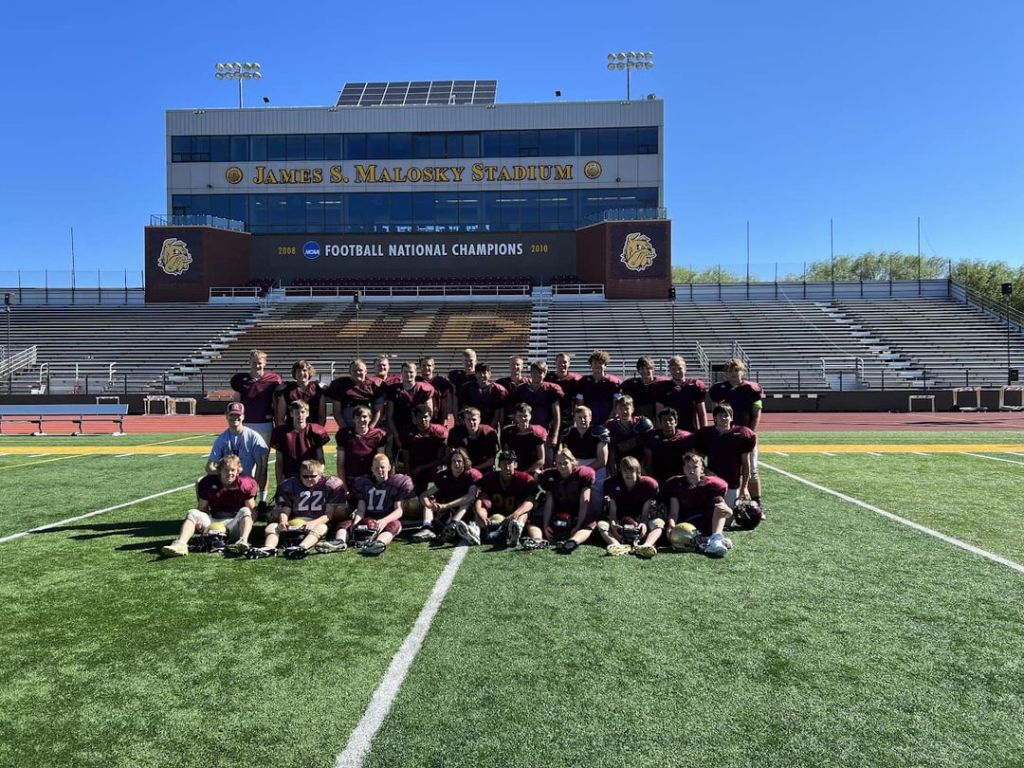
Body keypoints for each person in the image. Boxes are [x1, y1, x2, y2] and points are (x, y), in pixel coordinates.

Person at [247, 460, 346, 559]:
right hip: (294, 521)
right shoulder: (290, 484)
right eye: (305, 476)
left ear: (320, 474)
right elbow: (285, 509)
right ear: (300, 475)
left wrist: (313, 523)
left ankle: (302, 548)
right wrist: (283, 521)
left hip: (316, 521)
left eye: (313, 476)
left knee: (322, 527)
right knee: (272, 526)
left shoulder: (330, 484)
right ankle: (269, 548)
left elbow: (329, 514)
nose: (309, 479)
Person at [317, 454, 413, 556]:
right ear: (372, 469)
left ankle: (378, 544)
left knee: (396, 525)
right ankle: (339, 542)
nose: (380, 470)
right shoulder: (364, 483)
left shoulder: (397, 482)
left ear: (389, 467)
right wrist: (356, 522)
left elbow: (399, 510)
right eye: (377, 468)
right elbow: (361, 509)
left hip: (386, 518)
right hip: (368, 518)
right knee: (345, 524)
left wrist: (384, 520)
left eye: (382, 467)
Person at [160, 456, 255, 557]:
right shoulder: (208, 482)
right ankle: (181, 544)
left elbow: (252, 512)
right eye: (226, 470)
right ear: (219, 470)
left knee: (246, 510)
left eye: (233, 470)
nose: (229, 473)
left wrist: (245, 526)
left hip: (233, 523)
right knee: (193, 513)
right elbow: (202, 508)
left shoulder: (245, 484)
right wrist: (200, 524)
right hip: (213, 520)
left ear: (238, 471)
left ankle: (243, 541)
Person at [709, 357, 764, 502]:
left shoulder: (752, 389)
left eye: (736, 370)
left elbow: (756, 414)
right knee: (727, 470)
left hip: (745, 435)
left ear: (742, 371)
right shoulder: (718, 389)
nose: (733, 374)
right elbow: (716, 413)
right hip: (726, 436)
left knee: (752, 471)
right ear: (726, 373)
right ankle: (726, 500)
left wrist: (750, 433)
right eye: (730, 371)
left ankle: (756, 502)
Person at [666, 452, 734, 558]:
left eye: (695, 467)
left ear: (702, 469)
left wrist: (729, 512)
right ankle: (712, 541)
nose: (691, 470)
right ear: (683, 469)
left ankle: (715, 538)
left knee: (718, 501)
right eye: (688, 467)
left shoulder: (713, 484)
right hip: (690, 522)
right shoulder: (677, 484)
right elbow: (674, 512)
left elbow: (724, 508)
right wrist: (671, 525)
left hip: (709, 521)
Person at [206, 402, 270, 513]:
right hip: (227, 481)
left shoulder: (254, 437)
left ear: (243, 416)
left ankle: (258, 505)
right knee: (201, 482)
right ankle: (206, 511)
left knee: (247, 512)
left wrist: (254, 485)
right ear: (226, 416)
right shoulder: (221, 439)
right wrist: (225, 474)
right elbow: (209, 467)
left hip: (246, 481)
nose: (235, 417)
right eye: (232, 415)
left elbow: (261, 466)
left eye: (238, 415)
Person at [694, 404, 757, 508]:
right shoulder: (707, 434)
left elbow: (746, 464)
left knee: (729, 515)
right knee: (710, 513)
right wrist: (705, 470)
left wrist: (744, 487)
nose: (724, 418)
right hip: (712, 482)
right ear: (715, 418)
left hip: (732, 483)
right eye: (720, 415)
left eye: (726, 415)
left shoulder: (740, 435)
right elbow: (698, 458)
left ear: (731, 417)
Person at [474, 451, 539, 548]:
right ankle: (478, 531)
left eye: (510, 463)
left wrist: (515, 514)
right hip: (494, 515)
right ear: (499, 465)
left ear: (515, 465)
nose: (507, 467)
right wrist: (480, 511)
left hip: (515, 515)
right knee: (482, 506)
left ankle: (516, 529)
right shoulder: (490, 478)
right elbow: (481, 497)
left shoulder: (525, 479)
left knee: (524, 510)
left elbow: (530, 501)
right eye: (504, 463)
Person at [601, 456, 664, 558]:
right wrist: (613, 525)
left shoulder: (648, 485)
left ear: (638, 472)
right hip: (621, 517)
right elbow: (612, 511)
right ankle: (616, 545)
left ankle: (646, 545)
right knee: (602, 525)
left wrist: (643, 524)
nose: (628, 474)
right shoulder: (613, 484)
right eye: (625, 471)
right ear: (621, 472)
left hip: (639, 516)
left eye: (631, 471)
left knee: (659, 523)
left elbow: (645, 513)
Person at [420, 448, 482, 546]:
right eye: (454, 461)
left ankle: (453, 525)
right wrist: (430, 505)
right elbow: (424, 495)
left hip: (468, 510)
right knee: (430, 500)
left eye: (459, 461)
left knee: (466, 502)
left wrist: (446, 505)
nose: (456, 464)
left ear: (465, 462)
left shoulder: (472, 474)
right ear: (449, 463)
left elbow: (470, 496)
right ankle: (427, 527)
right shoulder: (444, 476)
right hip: (449, 510)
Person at [538, 448, 596, 553]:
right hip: (559, 512)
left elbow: (584, 503)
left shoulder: (583, 474)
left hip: (577, 512)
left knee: (588, 525)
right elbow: (549, 503)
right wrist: (545, 525)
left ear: (573, 462)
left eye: (565, 463)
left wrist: (578, 525)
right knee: (535, 519)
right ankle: (537, 540)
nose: (562, 466)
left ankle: (573, 542)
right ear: (555, 464)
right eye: (559, 463)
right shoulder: (550, 476)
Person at [269, 400, 332, 485]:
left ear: (307, 413)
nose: (300, 415)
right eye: (296, 412)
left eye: (302, 412)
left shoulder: (315, 431)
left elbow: (320, 459)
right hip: (290, 476)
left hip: (310, 476)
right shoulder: (282, 433)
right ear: (291, 414)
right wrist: (280, 484)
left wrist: (317, 476)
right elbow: (279, 462)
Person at [562, 404, 609, 514]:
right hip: (575, 466)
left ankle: (596, 518)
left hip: (596, 468)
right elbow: (566, 456)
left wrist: (584, 471)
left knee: (596, 496)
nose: (582, 420)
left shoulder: (599, 433)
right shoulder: (568, 434)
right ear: (574, 419)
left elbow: (602, 461)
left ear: (590, 418)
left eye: (585, 417)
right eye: (579, 417)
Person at [229, 349, 283, 442]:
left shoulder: (274, 379)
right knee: (246, 450)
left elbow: (276, 403)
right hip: (246, 422)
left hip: (265, 422)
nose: (257, 366)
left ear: (265, 363)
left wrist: (278, 423)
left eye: (259, 363)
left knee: (263, 450)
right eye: (254, 363)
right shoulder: (240, 379)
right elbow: (237, 403)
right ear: (249, 362)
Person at [399, 404, 449, 503]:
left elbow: (442, 459)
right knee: (413, 499)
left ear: (430, 417)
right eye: (420, 417)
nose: (423, 420)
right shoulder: (408, 433)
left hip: (434, 469)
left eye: (426, 417)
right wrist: (409, 475)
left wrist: (421, 468)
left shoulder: (439, 432)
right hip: (416, 468)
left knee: (437, 485)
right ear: (415, 418)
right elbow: (406, 457)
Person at [335, 404, 388, 493]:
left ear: (370, 418)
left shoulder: (378, 435)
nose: (361, 419)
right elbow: (340, 464)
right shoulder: (344, 435)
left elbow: (381, 461)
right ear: (353, 419)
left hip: (372, 480)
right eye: (358, 417)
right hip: (352, 479)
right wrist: (345, 488)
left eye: (364, 416)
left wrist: (381, 484)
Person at [512, 361, 563, 451]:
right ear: (530, 373)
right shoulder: (521, 389)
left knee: (546, 457)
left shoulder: (551, 389)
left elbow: (556, 415)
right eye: (535, 372)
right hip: (525, 432)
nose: (537, 375)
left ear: (545, 373)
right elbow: (516, 413)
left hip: (545, 432)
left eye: (540, 372)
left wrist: (555, 435)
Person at [653, 355, 708, 433]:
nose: (677, 371)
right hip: (671, 433)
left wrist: (704, 433)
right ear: (670, 370)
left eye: (680, 368)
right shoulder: (663, 387)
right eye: (673, 369)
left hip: (691, 432)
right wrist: (661, 433)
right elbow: (659, 414)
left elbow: (702, 413)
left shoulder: (695, 385)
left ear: (685, 369)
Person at [642, 407, 695, 488]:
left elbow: (691, 460)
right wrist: (651, 477)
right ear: (660, 422)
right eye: (664, 420)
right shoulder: (651, 436)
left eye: (670, 420)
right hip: (658, 476)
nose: (667, 422)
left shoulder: (686, 437)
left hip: (679, 477)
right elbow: (648, 461)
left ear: (676, 422)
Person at [385, 361, 435, 445]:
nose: (408, 374)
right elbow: (389, 416)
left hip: (418, 430)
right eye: (405, 372)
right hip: (399, 429)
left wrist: (423, 433)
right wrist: (396, 436)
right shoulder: (393, 390)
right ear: (401, 373)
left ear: (416, 373)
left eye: (411, 372)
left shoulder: (424, 389)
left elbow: (429, 414)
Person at [325, 359, 382, 431]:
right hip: (348, 420)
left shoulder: (374, 385)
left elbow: (378, 410)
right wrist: (344, 428)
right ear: (350, 372)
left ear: (366, 371)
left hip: (367, 419)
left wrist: (371, 428)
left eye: (360, 370)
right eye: (354, 371)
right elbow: (336, 411)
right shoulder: (340, 384)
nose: (357, 372)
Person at [604, 394, 649, 474]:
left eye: (627, 408)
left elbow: (648, 449)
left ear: (632, 409)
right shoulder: (610, 426)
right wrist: (613, 471)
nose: (624, 412)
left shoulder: (641, 422)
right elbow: (611, 451)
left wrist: (645, 466)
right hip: (620, 466)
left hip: (640, 465)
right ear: (616, 410)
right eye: (620, 409)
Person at [446, 406, 500, 473]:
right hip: (462, 468)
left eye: (474, 419)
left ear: (479, 420)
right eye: (468, 419)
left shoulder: (488, 433)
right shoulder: (456, 432)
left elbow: (491, 461)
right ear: (464, 420)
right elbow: (450, 455)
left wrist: (473, 470)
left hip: (483, 468)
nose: (471, 422)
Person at [274, 359, 327, 427]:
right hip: (291, 429)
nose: (301, 373)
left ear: (309, 372)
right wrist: (285, 432)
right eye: (298, 371)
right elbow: (280, 418)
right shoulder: (287, 390)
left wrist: (318, 430)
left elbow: (322, 417)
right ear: (294, 373)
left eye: (304, 370)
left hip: (312, 429)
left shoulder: (317, 389)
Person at [576, 350, 621, 427]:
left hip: (608, 420)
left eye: (600, 363)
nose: (597, 365)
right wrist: (586, 419)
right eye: (595, 363)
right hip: (589, 421)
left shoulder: (613, 382)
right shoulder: (583, 382)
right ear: (591, 365)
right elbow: (580, 403)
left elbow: (616, 405)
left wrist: (610, 420)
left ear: (605, 365)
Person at [500, 403, 547, 474]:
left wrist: (525, 473)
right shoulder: (508, 432)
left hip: (532, 469)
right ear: (515, 417)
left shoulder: (536, 433)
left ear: (530, 416)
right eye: (520, 416)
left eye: (525, 416)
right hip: (514, 469)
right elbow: (506, 456)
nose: (523, 418)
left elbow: (541, 460)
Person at [459, 362, 508, 428]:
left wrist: (489, 429)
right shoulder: (467, 388)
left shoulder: (497, 389)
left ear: (489, 374)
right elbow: (465, 409)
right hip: (471, 425)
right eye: (479, 373)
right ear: (475, 374)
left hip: (490, 424)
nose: (482, 375)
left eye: (484, 373)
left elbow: (498, 413)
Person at [545, 352, 581, 441]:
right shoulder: (548, 378)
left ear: (569, 364)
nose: (562, 364)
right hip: (550, 417)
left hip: (568, 418)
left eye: (565, 362)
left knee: (567, 444)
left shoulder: (575, 380)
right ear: (555, 362)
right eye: (560, 361)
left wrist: (576, 418)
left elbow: (579, 400)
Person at [619, 356, 663, 421]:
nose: (645, 371)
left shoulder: (661, 384)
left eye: (648, 368)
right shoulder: (630, 384)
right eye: (642, 368)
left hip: (656, 420)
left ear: (653, 369)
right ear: (638, 370)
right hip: (636, 420)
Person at [419, 355, 454, 426]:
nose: (426, 368)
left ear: (433, 366)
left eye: (429, 365)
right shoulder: (417, 381)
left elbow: (449, 397)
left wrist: (446, 416)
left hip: (438, 417)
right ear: (420, 367)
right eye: (423, 365)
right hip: (421, 418)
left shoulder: (441, 381)